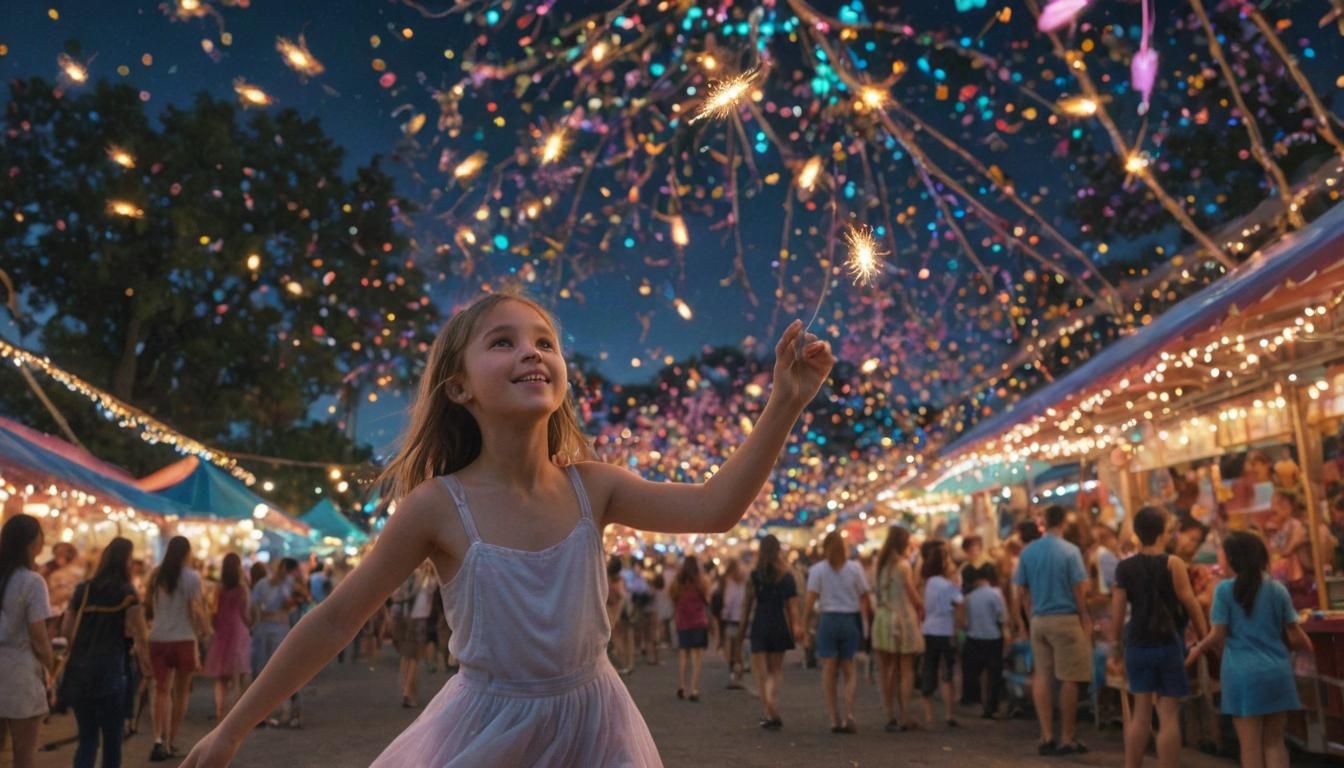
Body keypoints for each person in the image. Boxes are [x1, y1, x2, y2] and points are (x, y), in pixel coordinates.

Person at [179, 293, 834, 767]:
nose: (532, 352)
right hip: (487, 731)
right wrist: (232, 730)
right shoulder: (437, 506)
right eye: (503, 341)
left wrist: (784, 402)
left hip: (598, 728)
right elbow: (334, 619)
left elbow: (715, 509)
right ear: (459, 388)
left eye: (544, 341)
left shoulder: (594, 486)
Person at [1187, 532, 1312, 768]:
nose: (1219, 562)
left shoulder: (1224, 591)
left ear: (1234, 559)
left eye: (1222, 557)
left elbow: (1217, 635)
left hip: (1241, 675)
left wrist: (1197, 649)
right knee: (1275, 743)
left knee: (1250, 746)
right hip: (1277, 672)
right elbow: (1295, 633)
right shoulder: (1277, 590)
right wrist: (1309, 649)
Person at [1110, 506, 1210, 768]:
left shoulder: (1124, 568)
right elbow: (1190, 603)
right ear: (1162, 533)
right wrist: (1204, 638)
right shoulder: (1173, 563)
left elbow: (1117, 615)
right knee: (1168, 715)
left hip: (1137, 644)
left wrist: (1115, 650)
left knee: (1140, 714)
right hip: (1167, 643)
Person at [61, 537, 153, 768]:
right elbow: (141, 635)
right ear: (126, 561)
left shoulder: (84, 589)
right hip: (112, 672)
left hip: (80, 672)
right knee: (112, 741)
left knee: (87, 738)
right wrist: (147, 666)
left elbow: (67, 630)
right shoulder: (127, 593)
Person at [1013, 505, 1092, 756]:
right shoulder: (1071, 551)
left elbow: (1022, 592)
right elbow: (1080, 591)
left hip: (1039, 620)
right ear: (1064, 522)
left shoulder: (1028, 553)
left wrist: (1026, 619)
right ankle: (1067, 738)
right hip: (1065, 619)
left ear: (1043, 523)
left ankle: (1046, 735)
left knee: (1043, 676)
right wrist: (1085, 618)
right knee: (1069, 678)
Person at [803, 530, 872, 734]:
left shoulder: (818, 570)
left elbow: (810, 601)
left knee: (829, 671)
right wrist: (866, 621)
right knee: (849, 670)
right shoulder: (855, 568)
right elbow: (865, 595)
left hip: (828, 620)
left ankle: (834, 717)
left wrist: (805, 625)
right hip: (849, 620)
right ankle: (849, 712)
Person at [146, 535, 208, 761]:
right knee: (181, 692)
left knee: (161, 690)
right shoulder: (192, 577)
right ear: (186, 553)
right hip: (184, 638)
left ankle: (157, 739)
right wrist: (204, 632)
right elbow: (194, 610)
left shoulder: (155, 575)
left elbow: (148, 606)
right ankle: (171, 741)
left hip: (158, 638)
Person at [0, 515, 55, 768]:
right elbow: (39, 635)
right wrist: (51, 665)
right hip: (20, 673)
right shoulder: (32, 582)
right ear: (33, 542)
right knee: (23, 756)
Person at [738, 534, 800, 730]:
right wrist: (796, 626)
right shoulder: (787, 576)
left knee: (760, 673)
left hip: (760, 622)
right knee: (776, 670)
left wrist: (742, 629)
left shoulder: (755, 575)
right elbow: (792, 607)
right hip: (778, 622)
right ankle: (772, 705)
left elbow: (747, 605)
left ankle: (768, 709)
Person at [871, 525, 923, 732]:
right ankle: (904, 716)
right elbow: (911, 594)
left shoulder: (881, 565)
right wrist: (921, 604)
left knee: (887, 670)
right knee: (906, 670)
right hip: (902, 620)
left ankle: (889, 714)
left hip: (883, 619)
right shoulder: (903, 565)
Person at [250, 558, 305, 726]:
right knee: (281, 669)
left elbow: (254, 606)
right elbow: (295, 602)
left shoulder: (262, 584)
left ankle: (261, 713)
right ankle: (287, 711)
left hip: (264, 628)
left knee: (261, 671)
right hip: (279, 628)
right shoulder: (287, 584)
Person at [918, 540, 964, 729]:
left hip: (929, 629)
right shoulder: (947, 585)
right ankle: (949, 713)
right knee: (947, 672)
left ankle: (929, 715)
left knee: (929, 669)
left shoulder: (929, 583)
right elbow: (960, 602)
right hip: (945, 630)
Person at [203, 553, 252, 723]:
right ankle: (233, 717)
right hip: (237, 630)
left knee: (220, 679)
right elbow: (245, 612)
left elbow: (214, 610)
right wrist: (250, 625)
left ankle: (220, 713)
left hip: (222, 630)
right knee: (236, 676)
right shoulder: (242, 588)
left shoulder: (219, 587)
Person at [963, 569, 1007, 721]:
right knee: (993, 674)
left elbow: (965, 621)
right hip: (993, 637)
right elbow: (1002, 617)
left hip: (973, 637)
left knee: (979, 673)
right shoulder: (996, 594)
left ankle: (983, 703)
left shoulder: (969, 597)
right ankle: (991, 705)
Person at [671, 555, 710, 701]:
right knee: (697, 657)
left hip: (682, 621)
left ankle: (681, 686)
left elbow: (673, 597)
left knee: (683, 655)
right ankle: (694, 689)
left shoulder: (678, 582)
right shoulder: (701, 581)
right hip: (698, 622)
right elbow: (707, 598)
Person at [719, 558, 746, 689]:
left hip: (732, 620)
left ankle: (733, 677)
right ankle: (739, 675)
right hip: (743, 620)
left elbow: (728, 602)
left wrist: (724, 615)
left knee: (731, 650)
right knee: (739, 650)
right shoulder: (744, 583)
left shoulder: (730, 584)